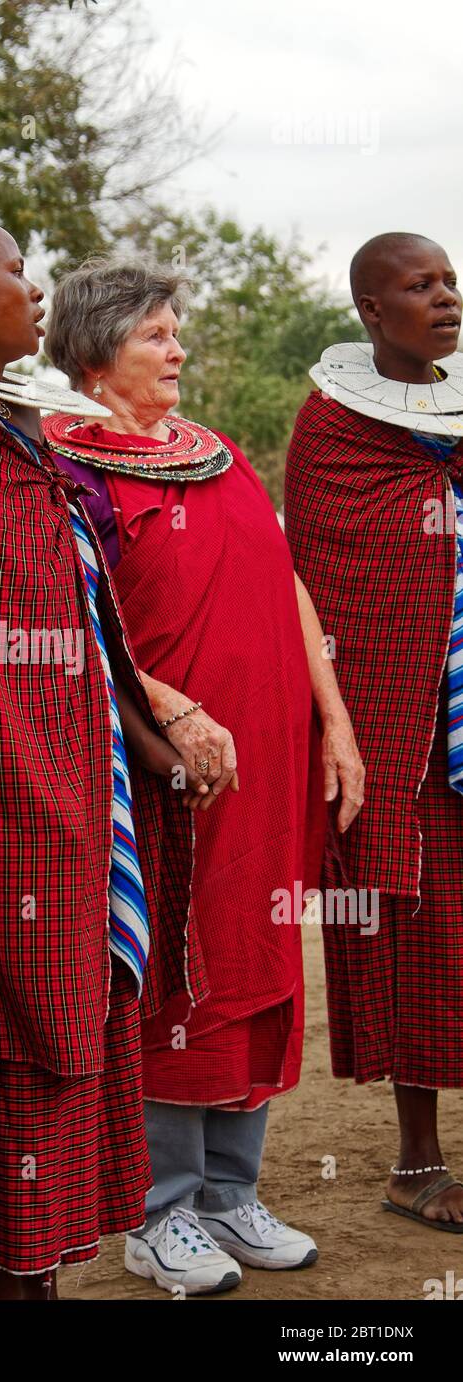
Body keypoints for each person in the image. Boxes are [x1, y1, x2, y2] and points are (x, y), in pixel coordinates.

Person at [0, 216, 198, 1300]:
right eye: (15, 270)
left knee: (62, 1050)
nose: (34, 287)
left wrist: (132, 742)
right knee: (8, 1052)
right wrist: (25, 791)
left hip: (67, 778)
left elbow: (67, 601)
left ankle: (46, 1281)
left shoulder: (12, 420)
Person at [42, 255, 364, 1294]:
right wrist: (168, 706)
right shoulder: (61, 467)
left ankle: (231, 1195)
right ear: (94, 353)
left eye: (176, 332)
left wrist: (333, 720)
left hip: (266, 761)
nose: (176, 350)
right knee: (175, 973)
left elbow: (288, 586)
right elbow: (67, 620)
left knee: (257, 965)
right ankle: (157, 1211)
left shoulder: (214, 452)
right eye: (154, 335)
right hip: (163, 768)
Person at [286, 231, 463, 1234]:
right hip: (402, 731)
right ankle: (413, 1160)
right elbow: (326, 565)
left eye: (447, 281)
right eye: (416, 285)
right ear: (367, 309)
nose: (442, 298)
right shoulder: (330, 429)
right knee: (415, 929)